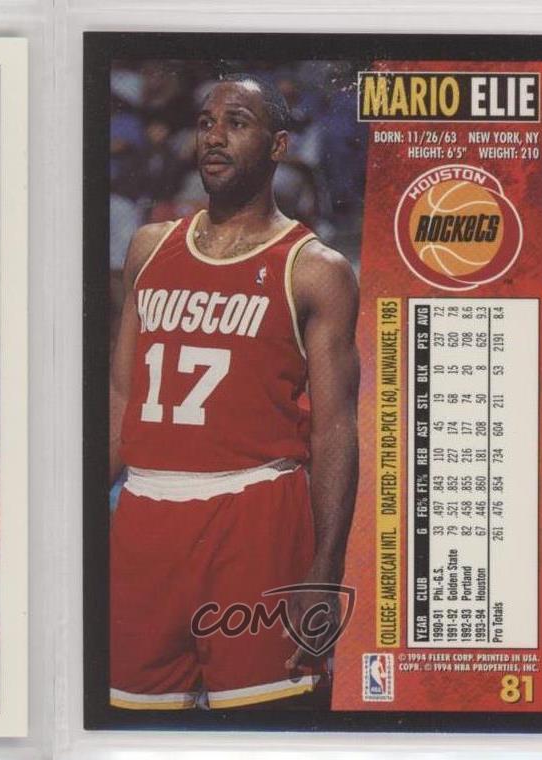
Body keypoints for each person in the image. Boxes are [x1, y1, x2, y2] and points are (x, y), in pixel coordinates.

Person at [108, 74, 359, 710]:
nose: (215, 136)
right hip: (144, 516)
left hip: (254, 517)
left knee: (266, 730)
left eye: (237, 123)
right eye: (206, 123)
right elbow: (120, 394)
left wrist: (325, 569)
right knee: (132, 732)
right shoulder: (148, 247)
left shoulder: (315, 269)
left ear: (278, 145)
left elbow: (334, 427)